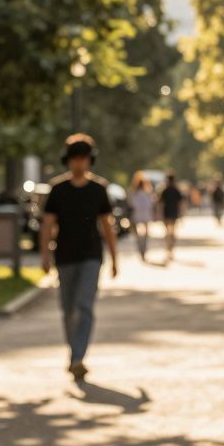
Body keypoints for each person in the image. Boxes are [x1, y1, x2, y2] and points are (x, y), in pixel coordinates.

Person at [39, 134, 119, 382]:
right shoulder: (58, 190)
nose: (79, 164)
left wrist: (115, 258)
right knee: (68, 308)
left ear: (89, 160)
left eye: (83, 159)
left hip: (91, 256)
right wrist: (45, 254)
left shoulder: (99, 189)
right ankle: (74, 352)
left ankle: (77, 358)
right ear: (68, 160)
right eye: (75, 159)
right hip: (65, 255)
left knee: (84, 306)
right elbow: (48, 224)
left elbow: (107, 225)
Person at [128, 172, 156, 262]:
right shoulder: (143, 192)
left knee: (140, 235)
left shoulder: (136, 192)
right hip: (142, 215)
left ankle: (142, 249)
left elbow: (131, 204)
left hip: (140, 215)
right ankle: (142, 250)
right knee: (143, 234)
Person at [158, 173, 184, 260]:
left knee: (168, 232)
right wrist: (181, 214)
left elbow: (161, 204)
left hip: (167, 213)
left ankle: (169, 248)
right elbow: (180, 203)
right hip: (173, 213)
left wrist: (159, 214)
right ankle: (170, 248)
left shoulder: (165, 190)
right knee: (172, 232)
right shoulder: (176, 190)